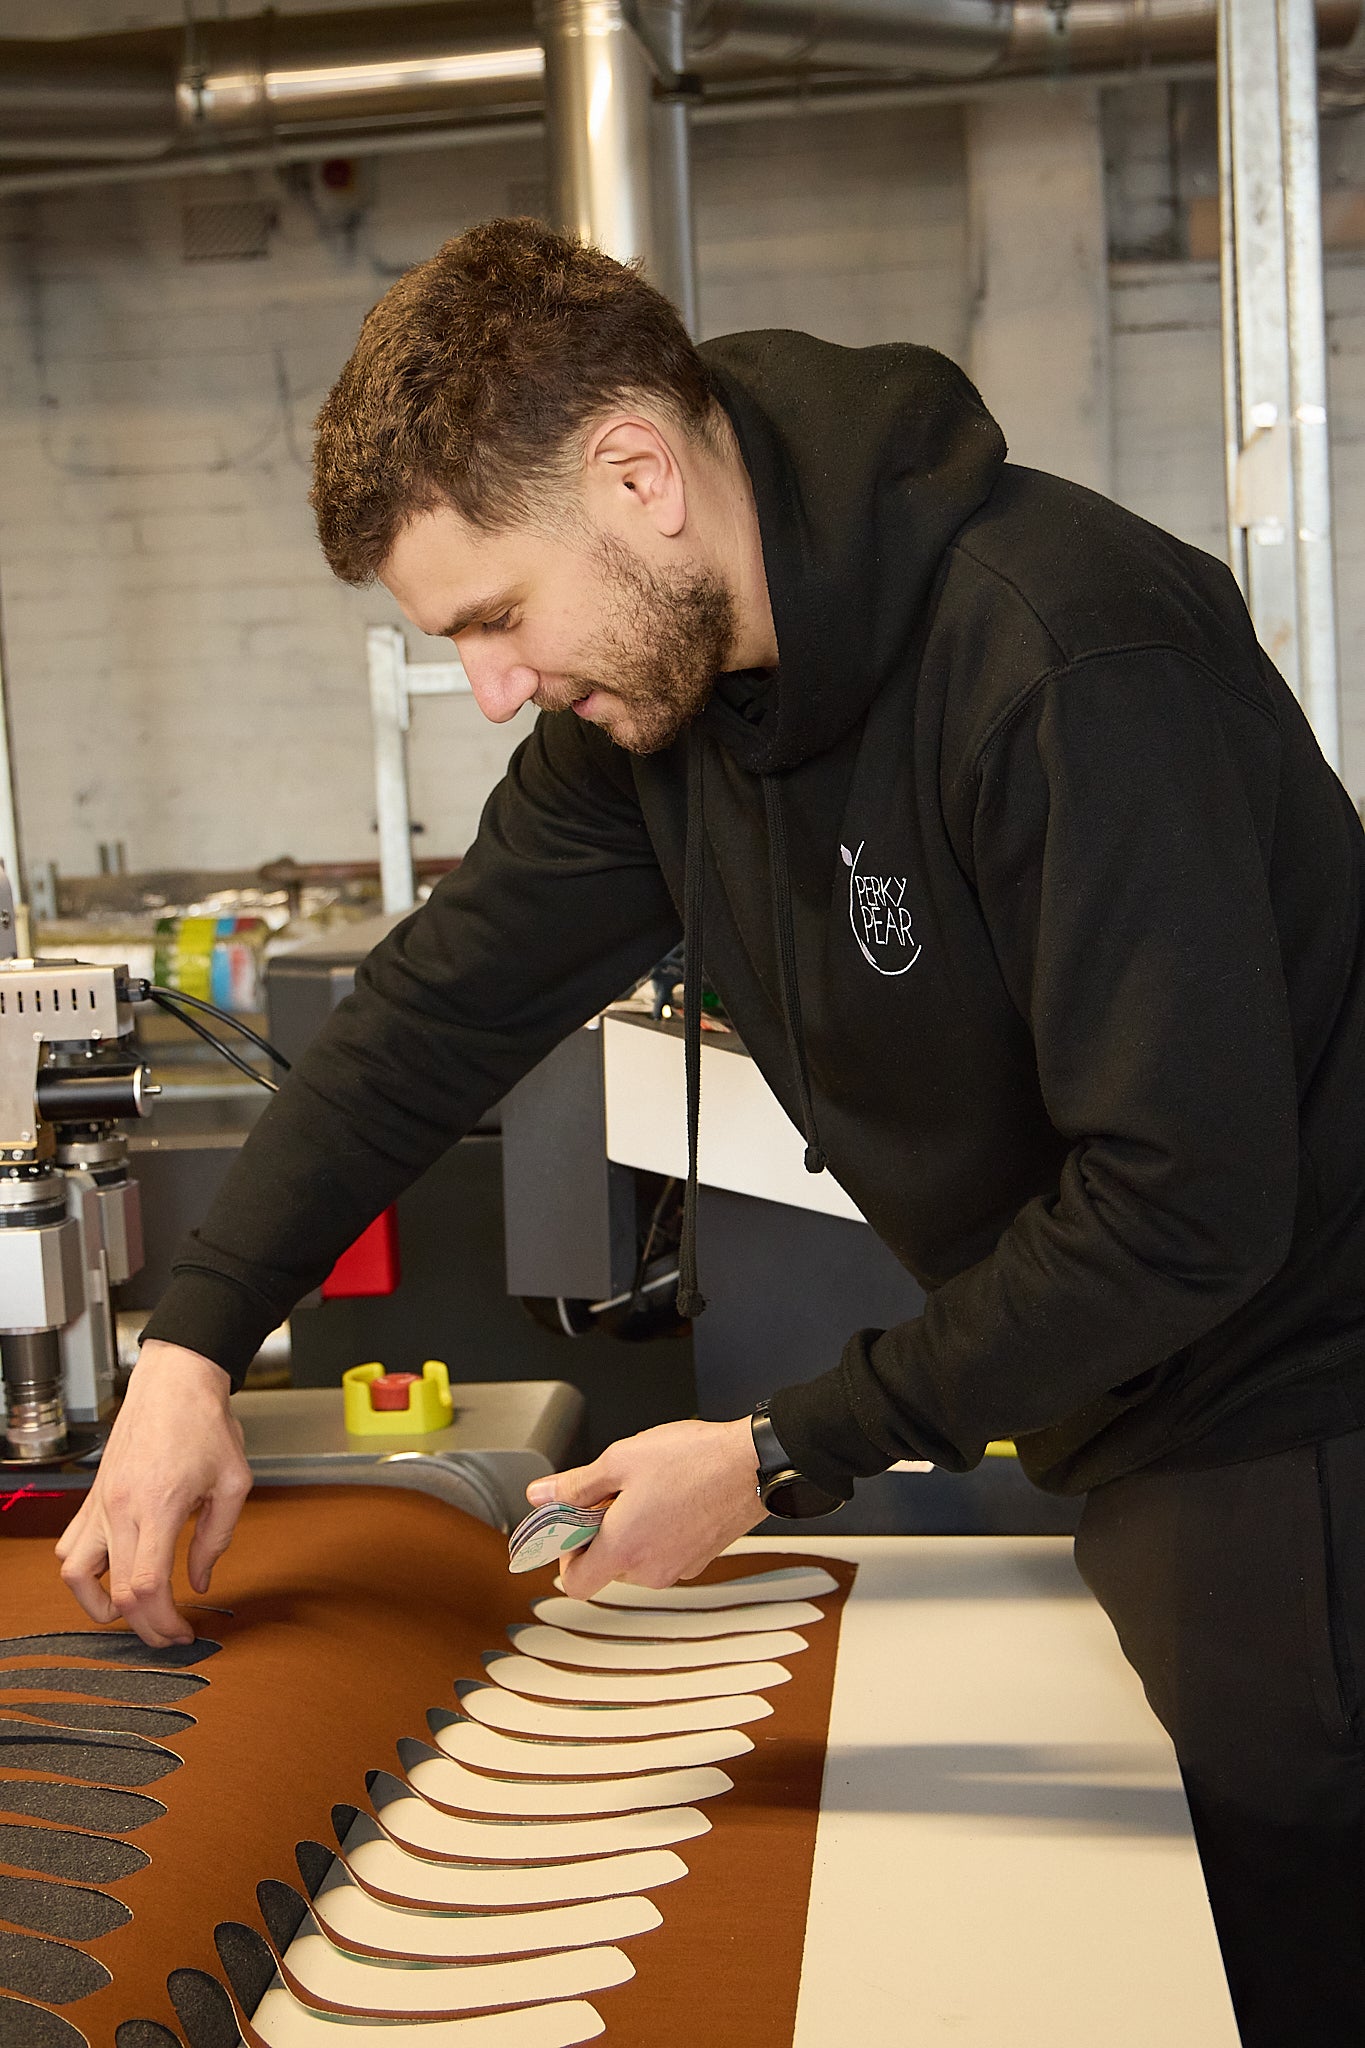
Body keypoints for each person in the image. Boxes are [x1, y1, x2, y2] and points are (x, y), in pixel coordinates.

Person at [56, 217, 1365, 2045]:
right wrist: (194, 1345)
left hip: (1300, 1425)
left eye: (496, 619)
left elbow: (1185, 1208)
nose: (495, 687)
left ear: (639, 475)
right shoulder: (663, 723)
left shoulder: (1064, 657)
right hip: (1130, 1408)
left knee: (1274, 1949)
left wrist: (773, 1451)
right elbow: (432, 1015)